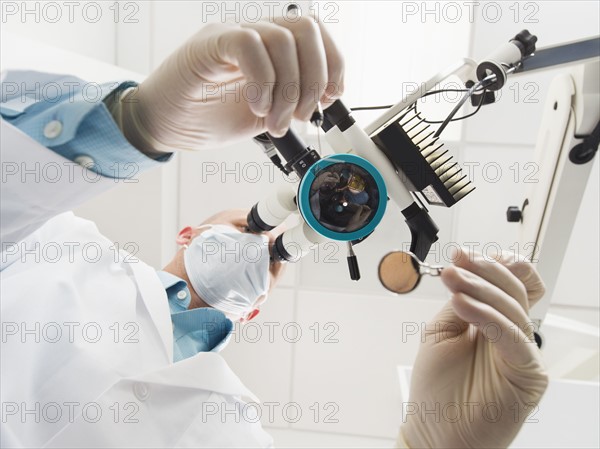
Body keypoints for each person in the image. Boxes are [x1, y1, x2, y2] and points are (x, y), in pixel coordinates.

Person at [0, 14, 548, 449]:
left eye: (278, 255)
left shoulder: (235, 428)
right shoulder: (57, 239)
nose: (266, 240)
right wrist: (136, 121)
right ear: (188, 233)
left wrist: (429, 445)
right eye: (249, 224)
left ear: (254, 308)